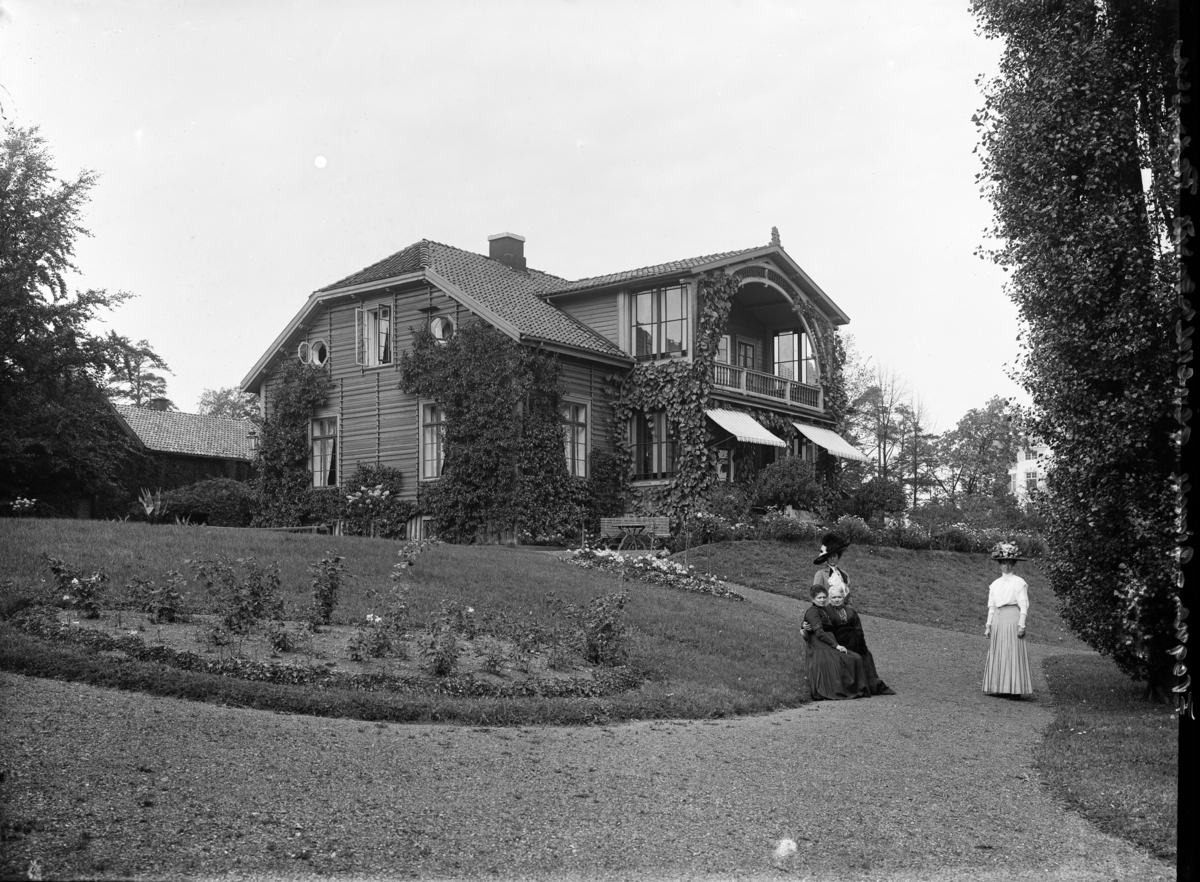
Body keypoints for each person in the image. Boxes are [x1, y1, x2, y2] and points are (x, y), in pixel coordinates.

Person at [803, 584, 872, 700]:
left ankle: (855, 688)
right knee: (850, 658)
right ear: (813, 599)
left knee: (857, 657)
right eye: (819, 598)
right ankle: (846, 689)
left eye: (824, 597)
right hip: (820, 645)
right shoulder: (813, 611)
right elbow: (819, 631)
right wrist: (837, 646)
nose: (822, 600)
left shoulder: (823, 610)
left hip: (828, 642)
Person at [983, 541, 1033, 698]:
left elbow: (1024, 605)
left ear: (1014, 564)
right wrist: (988, 625)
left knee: (1012, 651)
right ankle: (999, 686)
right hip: (998, 618)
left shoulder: (1019, 582)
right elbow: (991, 606)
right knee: (999, 650)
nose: (1006, 566)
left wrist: (1021, 625)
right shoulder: (995, 584)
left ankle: (1014, 689)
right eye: (1004, 563)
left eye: (1009, 563)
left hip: (1012, 617)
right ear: (999, 564)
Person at [826, 583, 895, 695]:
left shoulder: (851, 612)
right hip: (838, 644)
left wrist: (861, 645)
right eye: (834, 597)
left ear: (843, 598)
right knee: (853, 657)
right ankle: (858, 687)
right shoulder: (826, 612)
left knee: (867, 655)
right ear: (829, 598)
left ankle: (874, 685)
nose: (837, 600)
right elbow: (827, 632)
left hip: (854, 642)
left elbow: (858, 629)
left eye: (839, 597)